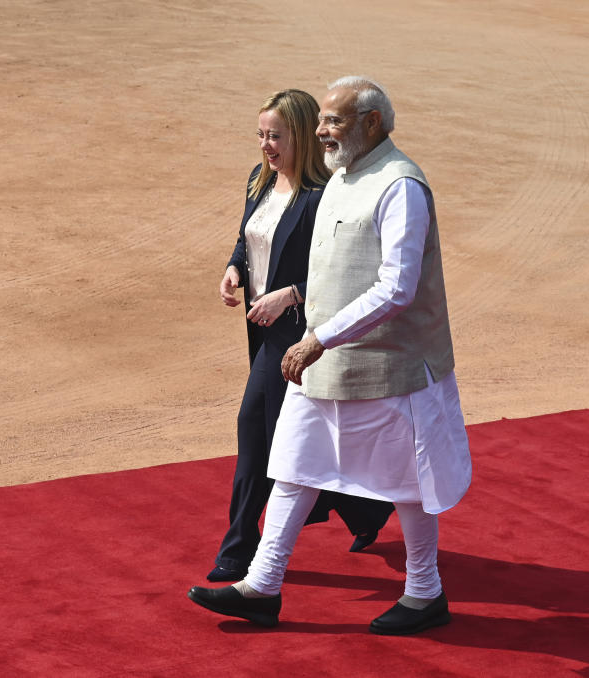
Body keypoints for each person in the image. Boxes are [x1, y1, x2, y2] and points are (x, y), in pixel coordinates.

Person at [189, 76, 472, 634]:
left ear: (371, 123)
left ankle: (425, 592)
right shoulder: (343, 177)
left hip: (389, 366)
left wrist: (320, 336)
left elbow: (398, 287)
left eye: (334, 121)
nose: (320, 130)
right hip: (324, 360)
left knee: (405, 484)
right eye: (319, 120)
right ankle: (262, 586)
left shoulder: (401, 186)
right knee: (293, 465)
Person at [208, 89, 394, 583]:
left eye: (277, 137)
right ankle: (365, 511)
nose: (266, 146)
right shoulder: (259, 181)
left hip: (296, 335)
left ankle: (237, 550)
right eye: (261, 135)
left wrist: (288, 294)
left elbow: (349, 273)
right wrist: (234, 268)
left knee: (255, 432)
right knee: (284, 433)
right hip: (261, 330)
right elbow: (248, 236)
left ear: (302, 138)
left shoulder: (322, 197)